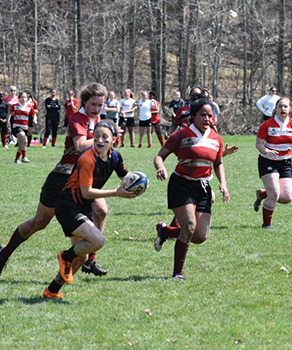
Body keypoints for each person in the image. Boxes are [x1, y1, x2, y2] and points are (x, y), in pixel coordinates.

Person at [0, 83, 110, 279]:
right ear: (85, 102)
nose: (97, 109)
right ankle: (5, 252)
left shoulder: (97, 120)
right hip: (62, 178)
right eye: (93, 104)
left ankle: (89, 261)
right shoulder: (77, 118)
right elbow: (81, 145)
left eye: (101, 105)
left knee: (101, 210)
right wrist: (106, 139)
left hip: (82, 181)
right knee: (39, 222)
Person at [43, 120, 135, 299]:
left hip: (81, 207)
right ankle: (65, 256)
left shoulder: (114, 157)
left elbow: (126, 176)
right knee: (98, 240)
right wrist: (116, 193)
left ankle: (51, 290)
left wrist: (139, 182)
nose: (99, 140)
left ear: (114, 140)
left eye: (105, 137)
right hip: (68, 206)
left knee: (82, 258)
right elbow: (86, 192)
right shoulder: (87, 159)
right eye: (97, 136)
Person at [153, 97, 230, 280]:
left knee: (199, 236)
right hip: (181, 185)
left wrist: (223, 183)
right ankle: (177, 273)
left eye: (210, 116)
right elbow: (159, 156)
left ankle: (165, 231)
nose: (206, 119)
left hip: (203, 187)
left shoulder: (216, 139)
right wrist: (160, 167)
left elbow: (218, 163)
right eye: (202, 115)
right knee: (188, 227)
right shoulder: (181, 135)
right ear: (193, 116)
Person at [253, 97, 292, 228]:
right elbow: (258, 144)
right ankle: (266, 225)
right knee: (274, 193)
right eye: (280, 106)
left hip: (285, 162)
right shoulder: (267, 125)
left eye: (285, 106)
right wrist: (267, 151)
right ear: (275, 109)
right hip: (267, 161)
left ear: (289, 109)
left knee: (286, 198)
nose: (283, 109)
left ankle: (262, 194)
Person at [7, 91, 36, 163]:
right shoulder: (15, 106)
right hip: (17, 126)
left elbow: (34, 114)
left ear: (27, 98)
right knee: (25, 140)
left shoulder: (29, 106)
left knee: (21, 144)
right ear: (19, 98)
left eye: (25, 97)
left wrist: (35, 119)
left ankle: (17, 159)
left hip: (25, 127)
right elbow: (9, 113)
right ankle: (24, 157)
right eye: (22, 97)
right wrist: (8, 122)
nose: (23, 98)